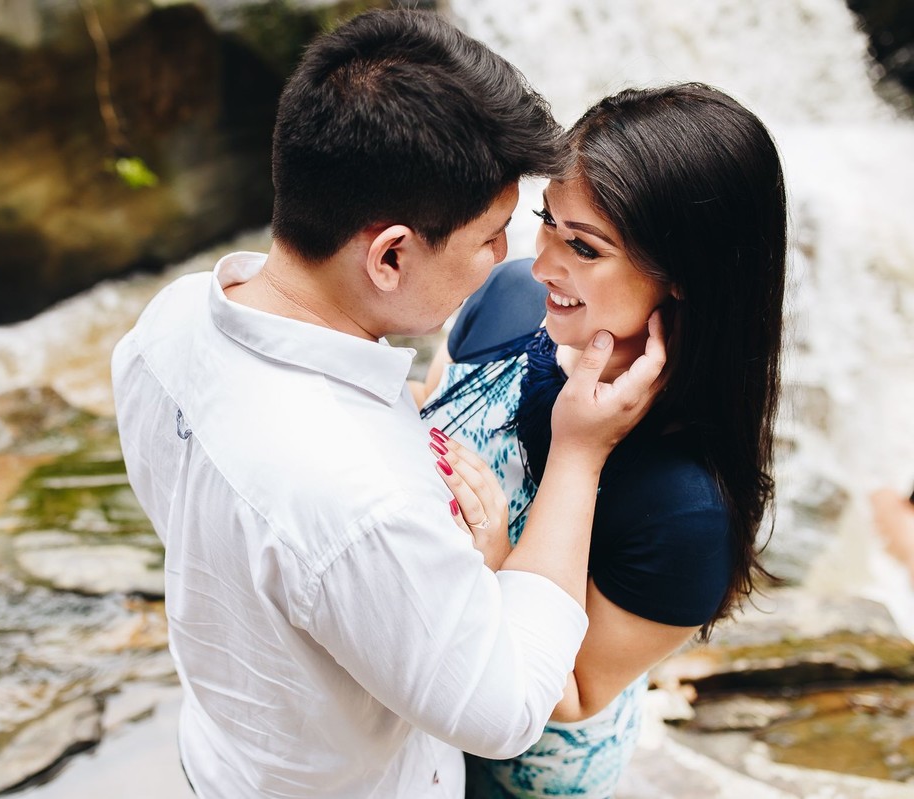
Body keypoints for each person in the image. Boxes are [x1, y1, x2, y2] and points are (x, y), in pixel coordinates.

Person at [111, 10, 666, 798]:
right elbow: (506, 707)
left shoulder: (167, 321)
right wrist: (579, 453)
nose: (514, 261)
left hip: (224, 756)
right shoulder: (364, 497)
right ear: (392, 253)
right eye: (492, 235)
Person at [418, 83, 788, 798]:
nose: (541, 263)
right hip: (404, 714)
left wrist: (495, 559)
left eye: (583, 246)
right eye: (546, 221)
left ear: (683, 273)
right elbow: (436, 405)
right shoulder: (509, 302)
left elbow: (574, 689)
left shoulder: (685, 506)